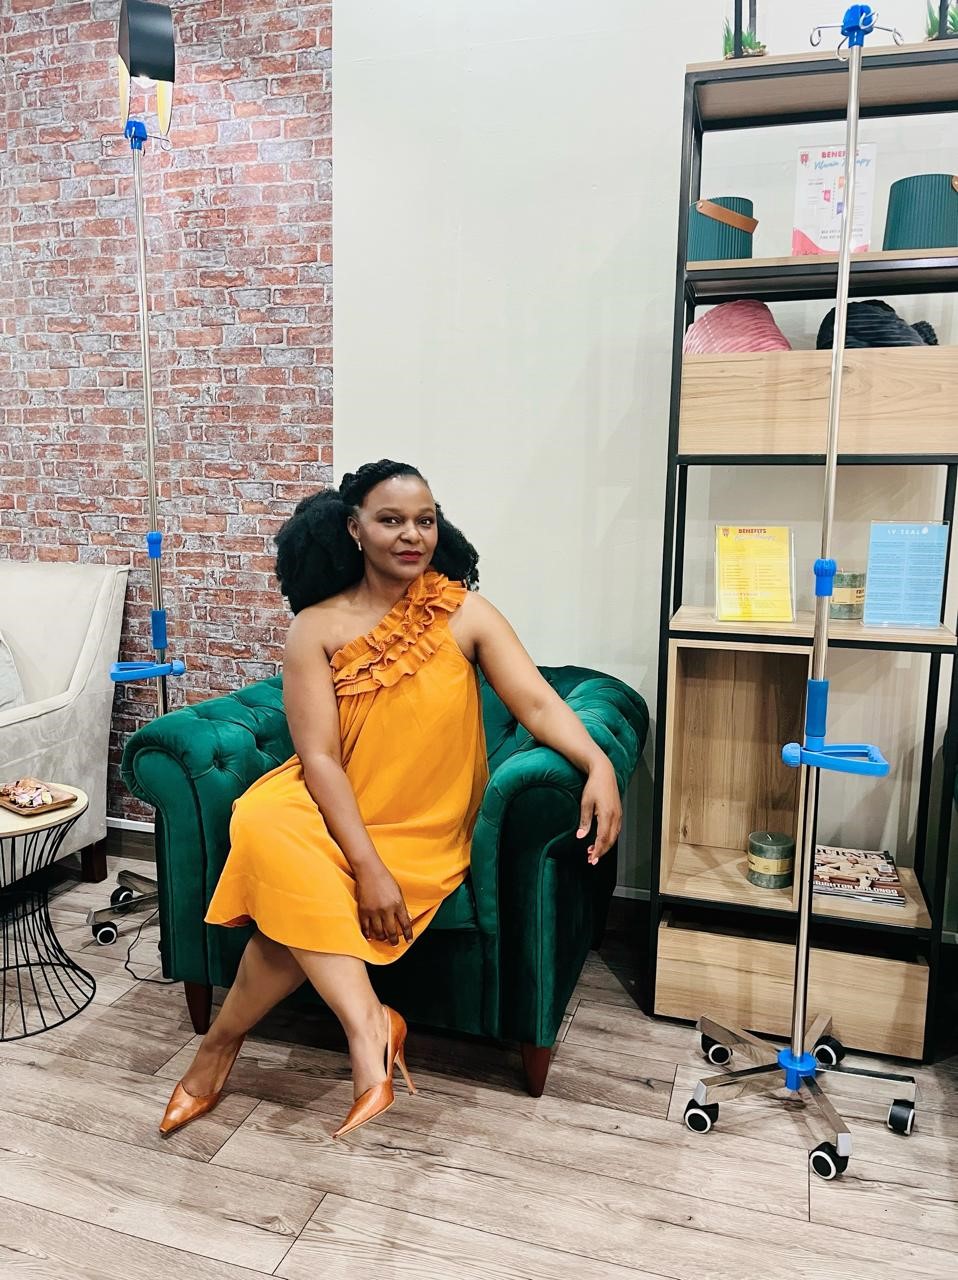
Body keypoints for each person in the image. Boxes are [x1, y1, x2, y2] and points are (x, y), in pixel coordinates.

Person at [159, 459, 622, 1140]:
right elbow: (318, 758)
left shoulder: (464, 613)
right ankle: (368, 1028)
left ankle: (218, 1048)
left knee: (291, 911)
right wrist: (367, 868)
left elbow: (536, 703)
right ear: (354, 528)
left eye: (425, 520)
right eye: (391, 520)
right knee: (260, 816)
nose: (412, 535)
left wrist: (597, 762)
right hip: (330, 801)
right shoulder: (315, 627)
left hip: (422, 819)